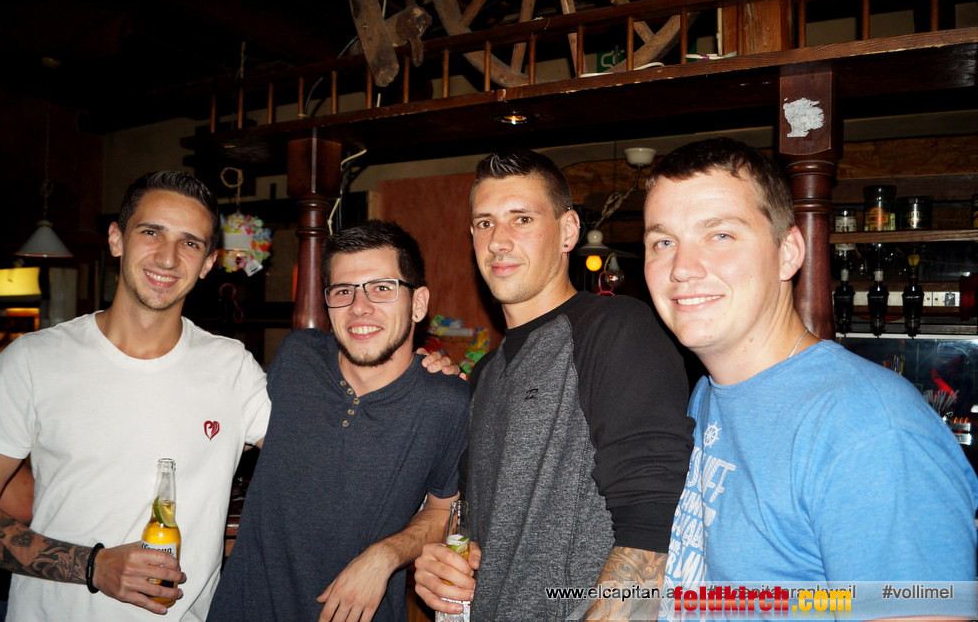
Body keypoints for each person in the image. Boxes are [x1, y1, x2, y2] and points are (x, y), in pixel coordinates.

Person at [641, 138, 978, 617]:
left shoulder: (871, 430)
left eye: (720, 235)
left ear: (788, 252)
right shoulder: (710, 394)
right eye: (663, 242)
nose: (682, 269)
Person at [0, 170, 272, 620]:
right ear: (117, 239)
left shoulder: (232, 369)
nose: (168, 258)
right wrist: (93, 566)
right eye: (151, 232)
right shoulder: (32, 361)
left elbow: (317, 462)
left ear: (208, 263)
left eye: (190, 243)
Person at [414, 148, 694, 619]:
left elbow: (655, 521)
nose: (498, 241)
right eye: (484, 223)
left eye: (521, 219)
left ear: (568, 231)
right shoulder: (486, 372)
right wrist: (442, 559)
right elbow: (481, 524)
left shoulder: (614, 328)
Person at [209, 220, 469, 622]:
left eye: (381, 288)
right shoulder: (296, 357)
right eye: (343, 291)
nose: (359, 306)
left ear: (418, 304)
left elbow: (443, 512)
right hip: (245, 608)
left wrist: (385, 555)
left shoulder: (447, 401)